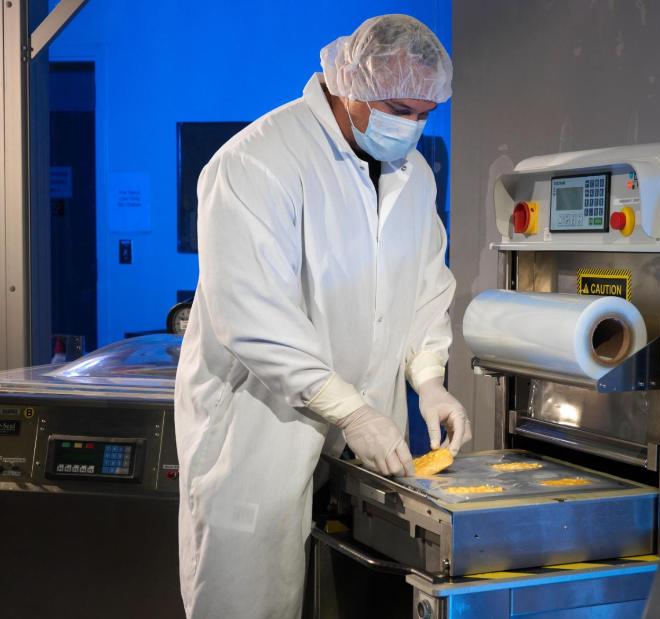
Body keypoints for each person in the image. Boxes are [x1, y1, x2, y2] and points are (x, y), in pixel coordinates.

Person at [173, 15, 469, 619]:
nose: (409, 126)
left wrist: (431, 378)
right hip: (261, 434)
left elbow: (423, 289)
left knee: (352, 596)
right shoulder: (257, 163)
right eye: (396, 108)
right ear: (348, 85)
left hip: (361, 445)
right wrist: (351, 409)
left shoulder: (414, 178)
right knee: (247, 599)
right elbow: (253, 318)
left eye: (423, 114)